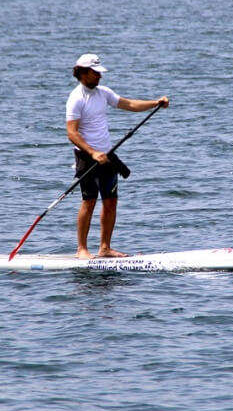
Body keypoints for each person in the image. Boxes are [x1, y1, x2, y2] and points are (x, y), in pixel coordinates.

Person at [66, 53, 169, 259]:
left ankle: (105, 248)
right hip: (87, 157)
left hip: (108, 156)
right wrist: (93, 152)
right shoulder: (76, 98)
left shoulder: (103, 93)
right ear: (83, 73)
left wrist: (154, 103)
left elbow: (128, 104)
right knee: (89, 201)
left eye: (99, 73)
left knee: (111, 201)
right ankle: (82, 249)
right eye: (95, 73)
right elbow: (72, 133)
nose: (99, 77)